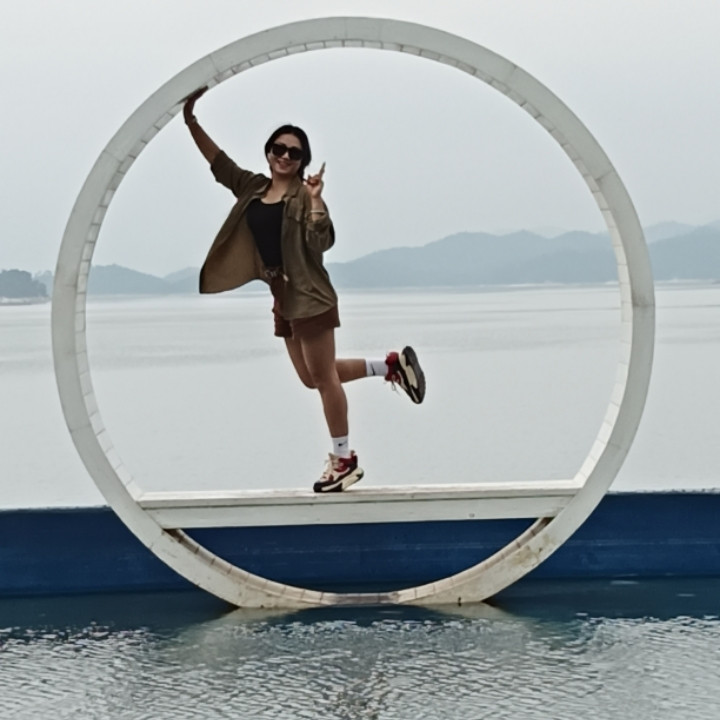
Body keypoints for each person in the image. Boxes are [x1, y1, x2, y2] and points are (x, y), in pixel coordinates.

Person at [182, 88, 425, 493]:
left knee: (324, 380)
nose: (285, 156)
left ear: (303, 161)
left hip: (310, 297)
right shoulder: (252, 187)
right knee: (312, 378)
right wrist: (190, 120)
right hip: (283, 298)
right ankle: (390, 366)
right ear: (268, 152)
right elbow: (219, 163)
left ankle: (344, 460)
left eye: (294, 153)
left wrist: (315, 201)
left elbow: (320, 240)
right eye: (278, 148)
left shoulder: (303, 197)